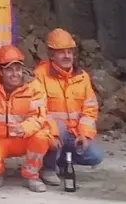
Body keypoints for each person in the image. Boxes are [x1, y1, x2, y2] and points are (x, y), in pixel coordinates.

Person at [0, 45, 54, 193]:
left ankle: (31, 175)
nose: (15, 74)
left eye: (18, 69)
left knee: (42, 136)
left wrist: (24, 128)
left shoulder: (34, 86)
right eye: (9, 70)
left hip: (23, 138)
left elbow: (39, 116)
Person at [35, 28, 103, 185]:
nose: (67, 56)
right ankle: (48, 168)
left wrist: (84, 135)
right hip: (50, 133)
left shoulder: (82, 77)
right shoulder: (40, 75)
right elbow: (39, 110)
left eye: (69, 52)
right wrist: (53, 132)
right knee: (58, 128)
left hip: (73, 134)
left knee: (95, 155)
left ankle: (63, 162)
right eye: (61, 52)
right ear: (51, 55)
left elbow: (90, 110)